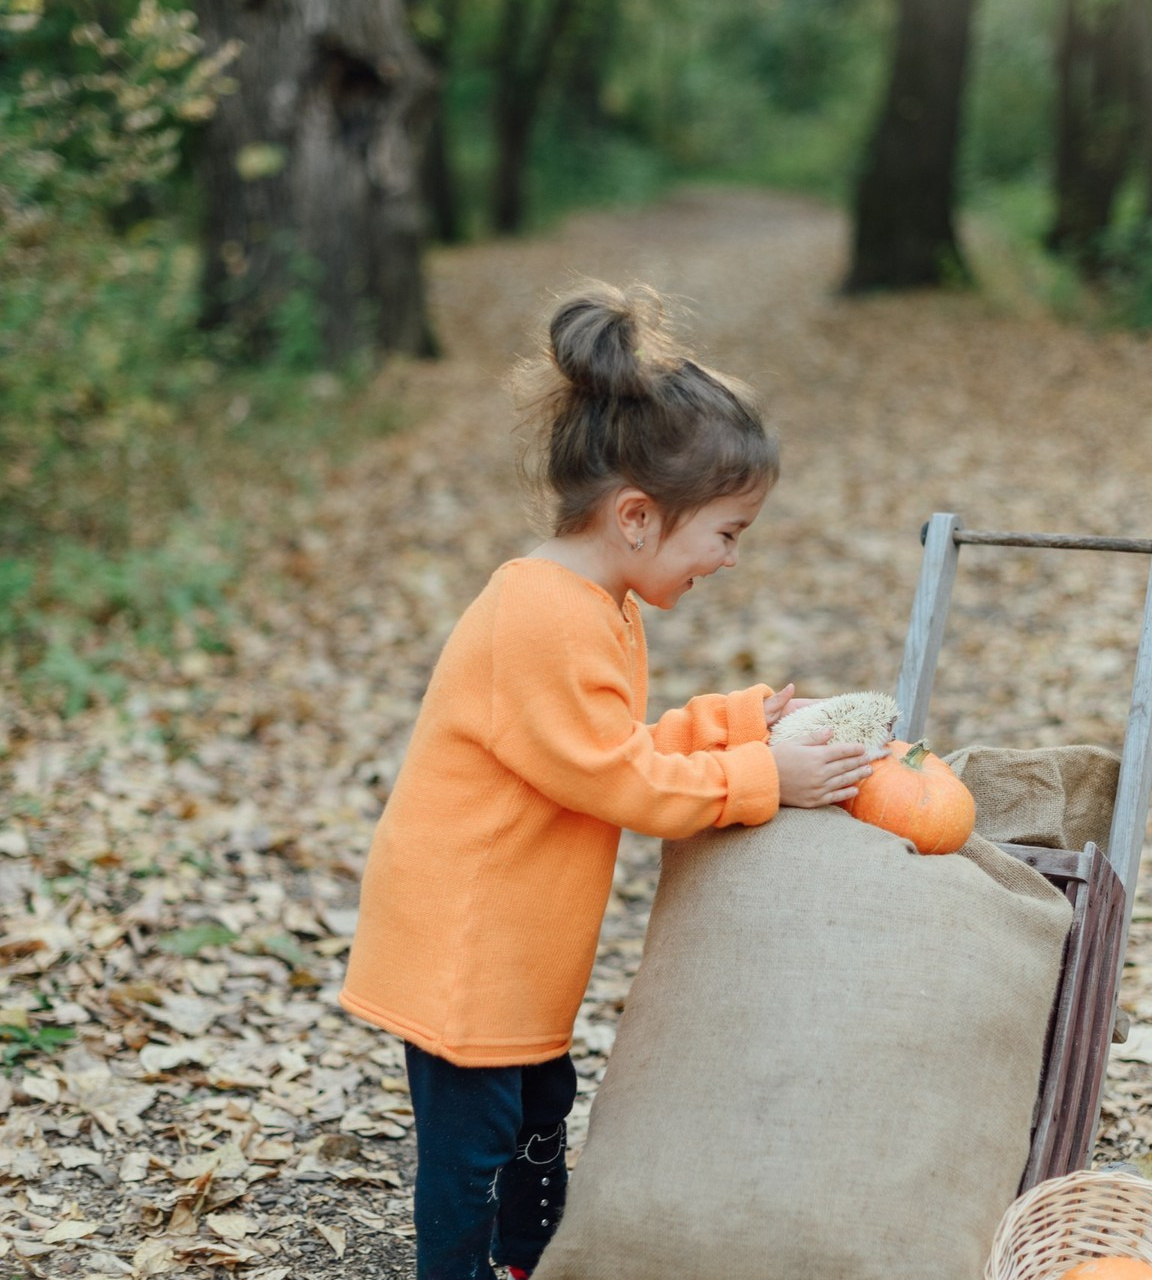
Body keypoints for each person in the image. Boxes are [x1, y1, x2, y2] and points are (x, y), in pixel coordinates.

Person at [339, 282, 882, 1280]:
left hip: (519, 943)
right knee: (473, 1147)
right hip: (469, 943)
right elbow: (618, 779)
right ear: (637, 516)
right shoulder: (540, 615)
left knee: (539, 1107)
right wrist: (764, 777)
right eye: (727, 532)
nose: (729, 559)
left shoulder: (598, 603)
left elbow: (607, 747)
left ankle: (526, 1258)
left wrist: (736, 725)